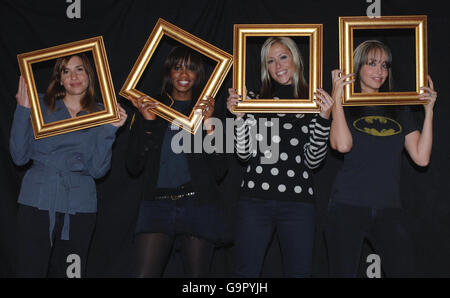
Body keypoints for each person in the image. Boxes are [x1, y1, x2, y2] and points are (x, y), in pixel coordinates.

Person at [326, 40, 437, 277]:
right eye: (372, 63)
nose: (380, 71)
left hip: (389, 208)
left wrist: (428, 113)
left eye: (384, 65)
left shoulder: (398, 108)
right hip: (347, 206)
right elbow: (342, 145)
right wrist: (337, 97)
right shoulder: (345, 106)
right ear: (357, 67)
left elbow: (421, 158)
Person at [10, 53, 127, 277]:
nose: (73, 76)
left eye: (79, 69)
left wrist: (109, 131)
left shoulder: (103, 113)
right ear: (60, 78)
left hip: (79, 207)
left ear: (89, 75)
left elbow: (98, 170)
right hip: (37, 201)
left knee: (71, 275)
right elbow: (19, 157)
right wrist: (23, 110)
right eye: (66, 71)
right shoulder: (40, 105)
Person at [226, 36, 334, 277]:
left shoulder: (314, 102)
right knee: (246, 275)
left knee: (299, 273)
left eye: (283, 57)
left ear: (296, 58)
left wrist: (324, 118)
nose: (278, 66)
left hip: (298, 204)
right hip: (254, 201)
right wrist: (239, 117)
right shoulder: (254, 100)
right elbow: (244, 155)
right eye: (270, 61)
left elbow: (313, 161)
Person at [126, 45, 227, 278]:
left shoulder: (208, 112)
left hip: (197, 204)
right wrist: (148, 123)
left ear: (199, 75)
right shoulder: (151, 108)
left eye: (191, 69)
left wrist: (210, 124)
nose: (183, 75)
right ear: (168, 73)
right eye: (177, 67)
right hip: (156, 205)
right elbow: (133, 165)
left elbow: (220, 169)